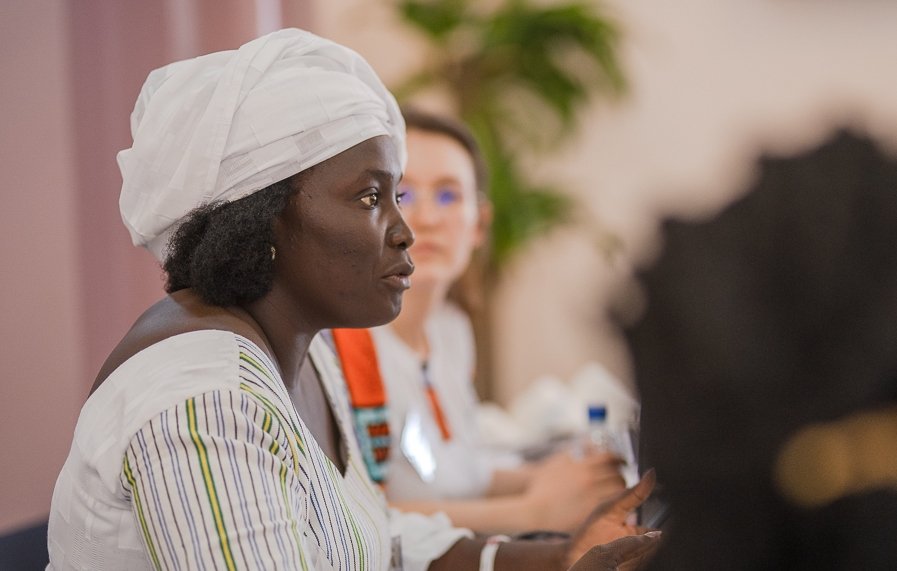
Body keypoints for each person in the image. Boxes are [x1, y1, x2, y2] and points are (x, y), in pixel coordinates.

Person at [46, 28, 658, 571]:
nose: (406, 230)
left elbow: (374, 540)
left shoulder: (309, 354)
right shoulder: (207, 404)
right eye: (371, 198)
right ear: (262, 220)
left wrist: (559, 558)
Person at [332, 108, 627, 535]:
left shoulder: (451, 332)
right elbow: (354, 519)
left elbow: (459, 476)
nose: (427, 218)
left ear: (479, 225)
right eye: (403, 195)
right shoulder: (341, 348)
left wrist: (553, 478)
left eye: (448, 196)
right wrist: (532, 510)